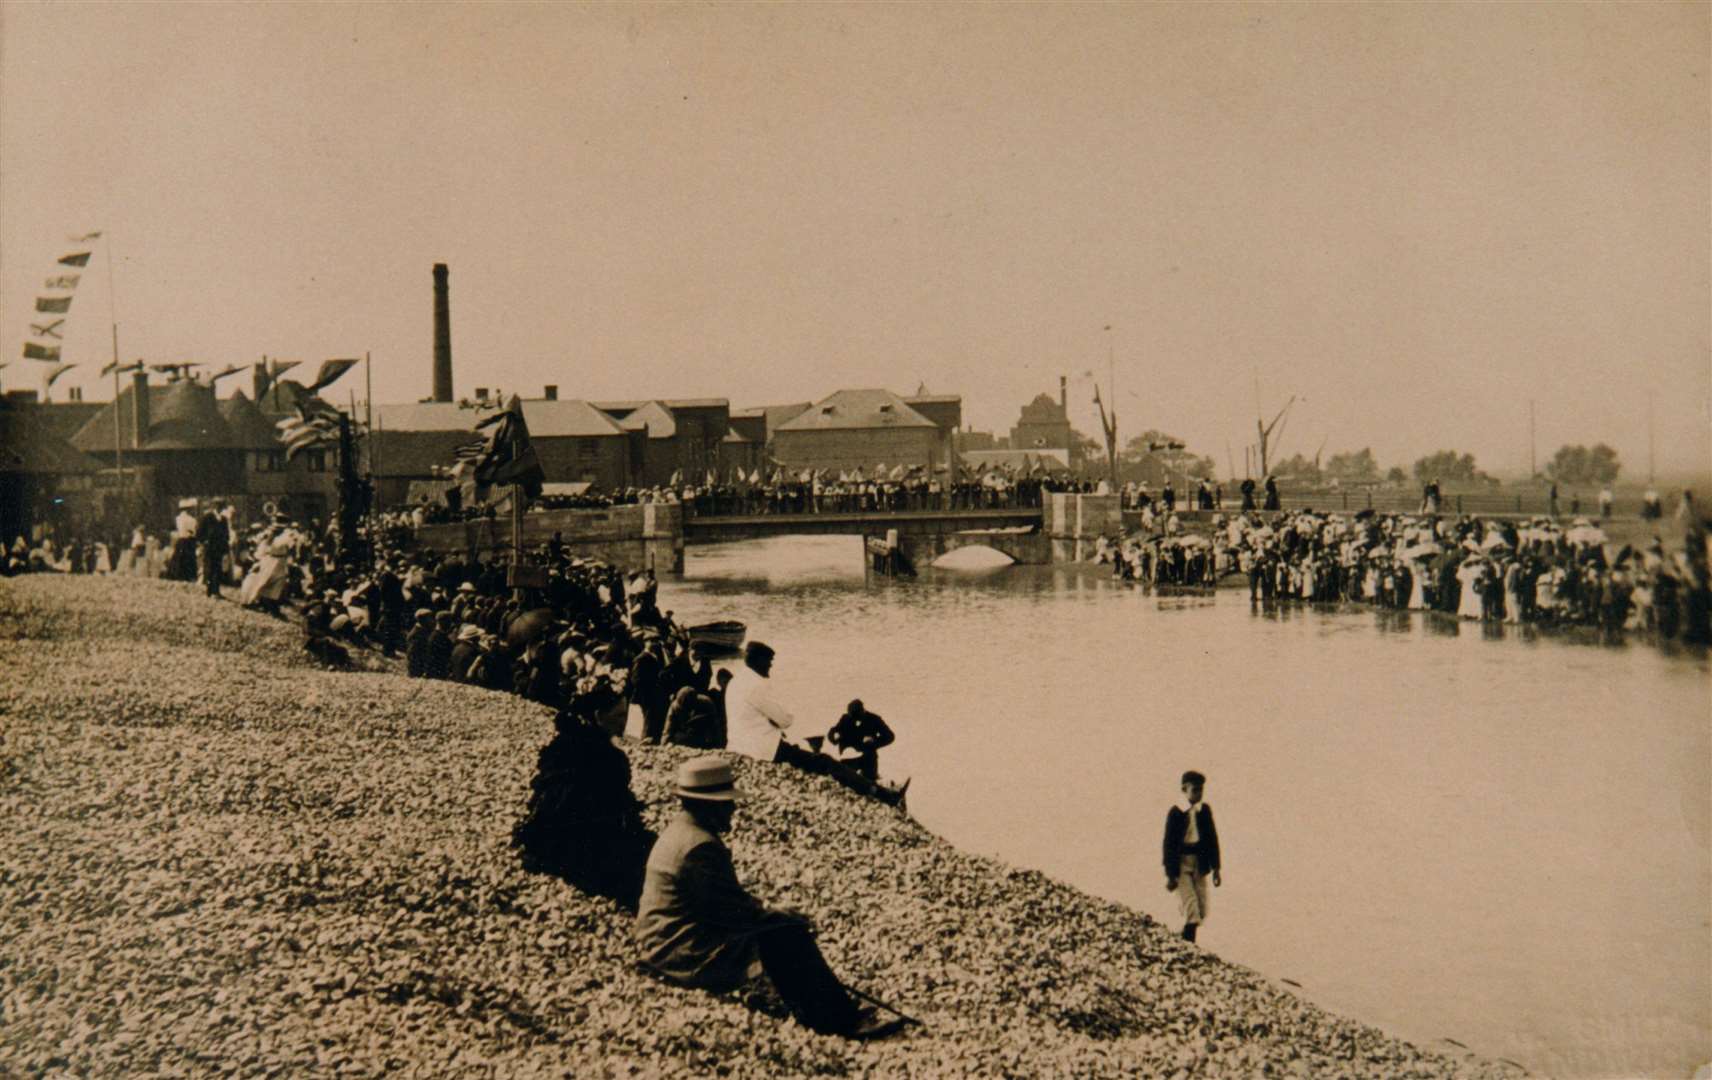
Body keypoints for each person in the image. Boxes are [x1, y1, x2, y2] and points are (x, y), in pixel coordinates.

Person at [634, 756, 907, 1040]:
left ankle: (829, 1007)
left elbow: (722, 900)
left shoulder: (679, 833)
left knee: (779, 929)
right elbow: (734, 915)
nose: (733, 808)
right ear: (708, 804)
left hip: (662, 941)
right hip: (680, 952)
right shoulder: (700, 847)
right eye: (726, 802)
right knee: (787, 936)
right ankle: (839, 1022)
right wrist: (783, 918)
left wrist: (771, 912)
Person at [1162, 770, 1221, 943]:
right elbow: (1169, 846)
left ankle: (1182, 938)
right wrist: (1171, 874)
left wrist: (1216, 868)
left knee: (1202, 909)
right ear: (1184, 789)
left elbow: (1212, 839)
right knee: (1191, 909)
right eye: (1195, 790)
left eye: (1201, 790)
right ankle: (1188, 946)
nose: (1198, 794)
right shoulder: (1176, 812)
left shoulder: (1204, 811)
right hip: (1181, 865)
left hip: (1199, 864)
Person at [826, 699, 895, 782]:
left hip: (867, 758)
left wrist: (874, 741)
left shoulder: (874, 719)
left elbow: (890, 736)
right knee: (846, 782)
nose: (854, 719)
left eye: (857, 715)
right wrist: (833, 737)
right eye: (852, 716)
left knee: (870, 784)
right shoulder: (845, 719)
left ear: (862, 711)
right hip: (848, 759)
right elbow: (833, 731)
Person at [196, 500, 230, 598]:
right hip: (210, 547)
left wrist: (225, 545)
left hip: (219, 547)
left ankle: (216, 590)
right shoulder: (207, 517)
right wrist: (204, 541)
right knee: (210, 568)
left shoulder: (223, 519)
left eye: (221, 506)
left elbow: (226, 533)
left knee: (218, 569)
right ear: (214, 506)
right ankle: (209, 590)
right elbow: (199, 532)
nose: (219, 508)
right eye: (218, 506)